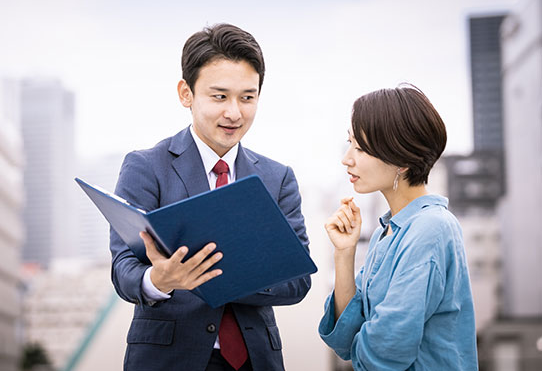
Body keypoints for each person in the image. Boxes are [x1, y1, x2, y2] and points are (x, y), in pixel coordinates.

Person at [111, 23, 311, 371]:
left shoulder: (277, 179)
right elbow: (123, 267)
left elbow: (297, 280)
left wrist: (220, 278)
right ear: (186, 94)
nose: (234, 112)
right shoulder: (146, 167)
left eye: (247, 97)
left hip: (255, 361)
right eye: (219, 96)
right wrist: (160, 280)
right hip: (168, 359)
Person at [319, 85, 478, 370]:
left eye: (360, 148)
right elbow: (344, 339)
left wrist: (361, 341)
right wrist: (345, 253)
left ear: (401, 160)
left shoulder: (430, 228)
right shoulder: (390, 230)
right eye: (349, 143)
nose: (347, 159)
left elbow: (386, 353)